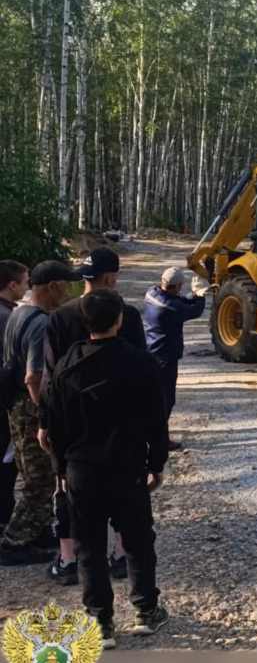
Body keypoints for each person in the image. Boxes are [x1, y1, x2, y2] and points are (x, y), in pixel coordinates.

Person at [44, 290, 169, 650]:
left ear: (85, 322)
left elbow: (54, 426)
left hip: (82, 469)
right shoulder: (141, 363)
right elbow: (156, 420)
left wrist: (60, 469)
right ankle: (146, 611)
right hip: (127, 466)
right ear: (119, 321)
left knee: (89, 546)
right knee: (137, 540)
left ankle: (100, 621)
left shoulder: (67, 365)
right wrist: (156, 463)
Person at [39, 247, 146, 585]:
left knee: (68, 486)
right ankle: (119, 554)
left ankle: (71, 558)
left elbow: (49, 378)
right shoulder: (126, 315)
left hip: (73, 421)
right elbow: (143, 371)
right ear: (111, 278)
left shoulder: (59, 317)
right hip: (120, 420)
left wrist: (45, 422)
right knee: (122, 487)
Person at [0, 261, 79, 565]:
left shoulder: (19, 311)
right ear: (53, 287)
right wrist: (47, 414)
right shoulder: (41, 323)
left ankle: (38, 530)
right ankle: (13, 541)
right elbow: (34, 377)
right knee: (41, 479)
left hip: (16, 407)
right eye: (66, 285)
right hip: (31, 408)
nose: (70, 291)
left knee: (33, 471)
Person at [142, 267, 207, 450]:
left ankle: (153, 435)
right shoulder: (171, 308)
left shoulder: (152, 294)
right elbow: (194, 311)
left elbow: (178, 301)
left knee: (155, 398)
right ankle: (160, 440)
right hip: (165, 358)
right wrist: (200, 296)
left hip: (151, 351)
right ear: (177, 286)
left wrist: (191, 295)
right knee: (165, 400)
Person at [0, 260, 30, 526]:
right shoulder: (7, 317)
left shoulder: (8, 312)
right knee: (6, 463)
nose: (27, 286)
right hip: (5, 399)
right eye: (25, 281)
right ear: (12, 285)